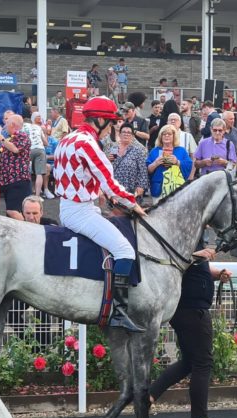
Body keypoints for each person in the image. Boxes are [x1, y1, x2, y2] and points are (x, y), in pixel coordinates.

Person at [52, 96, 147, 331]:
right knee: (125, 251)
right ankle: (119, 312)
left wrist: (102, 193)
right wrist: (134, 204)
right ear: (100, 121)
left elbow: (80, 176)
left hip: (71, 206)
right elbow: (111, 183)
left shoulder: (68, 138)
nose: (112, 128)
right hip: (80, 212)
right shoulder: (88, 143)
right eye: (111, 123)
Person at [148, 243, 232, 418]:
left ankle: (148, 397)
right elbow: (173, 258)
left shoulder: (194, 235)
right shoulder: (187, 236)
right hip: (193, 309)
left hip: (186, 308)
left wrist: (217, 273)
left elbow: (195, 267)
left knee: (188, 362)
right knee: (203, 362)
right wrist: (195, 255)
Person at [0, 114, 32, 221]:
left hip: (18, 179)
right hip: (9, 181)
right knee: (13, 211)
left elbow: (16, 149)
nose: (5, 127)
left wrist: (2, 140)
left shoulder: (22, 135)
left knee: (12, 211)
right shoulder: (11, 138)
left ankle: (28, 228)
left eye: (6, 123)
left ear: (12, 124)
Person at [147, 124, 193, 200]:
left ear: (174, 136)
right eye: (164, 134)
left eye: (169, 134)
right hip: (158, 188)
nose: (166, 136)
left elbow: (189, 165)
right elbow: (148, 169)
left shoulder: (181, 150)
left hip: (177, 188)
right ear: (160, 136)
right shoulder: (155, 151)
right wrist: (156, 163)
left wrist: (177, 162)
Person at [109, 124, 149, 203]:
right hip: (115, 189)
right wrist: (109, 160)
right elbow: (108, 169)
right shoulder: (113, 149)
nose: (126, 134)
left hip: (132, 189)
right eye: (124, 132)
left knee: (131, 209)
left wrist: (141, 186)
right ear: (119, 134)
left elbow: (143, 171)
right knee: (115, 209)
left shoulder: (138, 151)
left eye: (129, 132)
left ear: (132, 136)